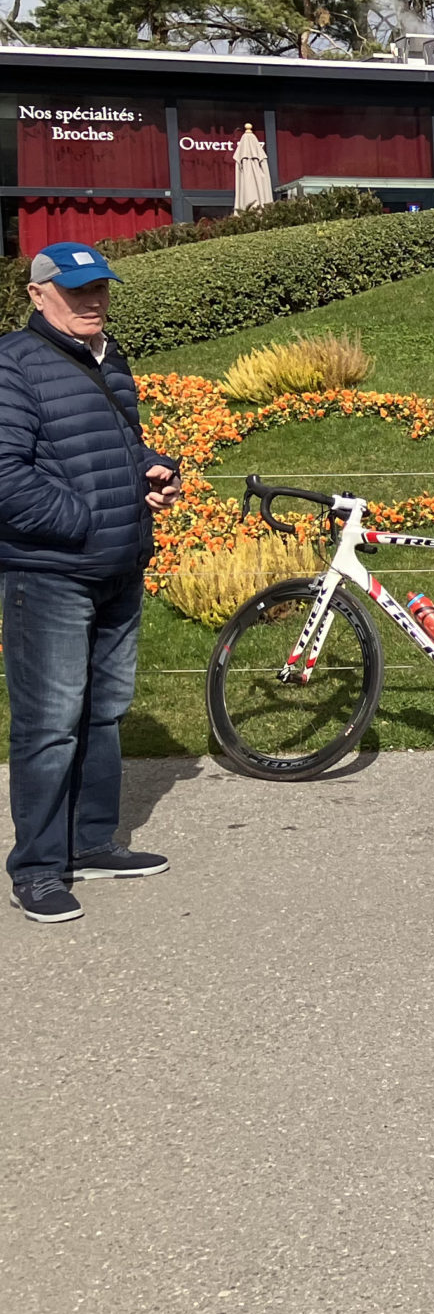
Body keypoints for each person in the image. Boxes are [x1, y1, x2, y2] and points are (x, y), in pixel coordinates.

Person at [0, 243, 180, 924]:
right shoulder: (13, 363)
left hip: (117, 568)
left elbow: (116, 448)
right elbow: (6, 477)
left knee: (105, 711)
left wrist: (155, 472)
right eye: (78, 291)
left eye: (100, 287)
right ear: (37, 294)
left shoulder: (109, 357)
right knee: (49, 725)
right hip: (51, 573)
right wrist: (88, 519)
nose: (94, 301)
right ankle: (38, 869)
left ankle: (91, 842)